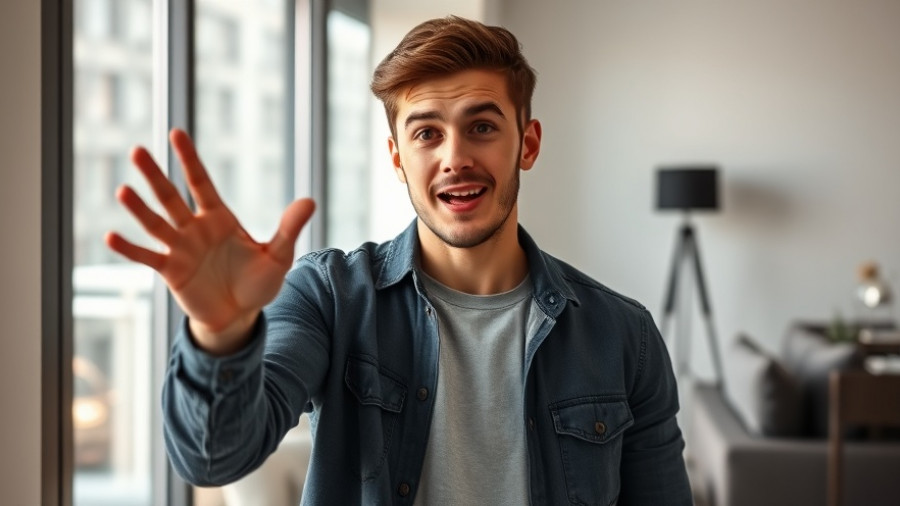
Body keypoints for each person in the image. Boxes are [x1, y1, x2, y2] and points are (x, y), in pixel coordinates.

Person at [106, 15, 693, 506]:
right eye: (427, 134)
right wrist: (220, 334)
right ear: (396, 157)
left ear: (528, 143)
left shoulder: (624, 336)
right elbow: (213, 457)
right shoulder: (329, 298)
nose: (455, 157)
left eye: (482, 126)